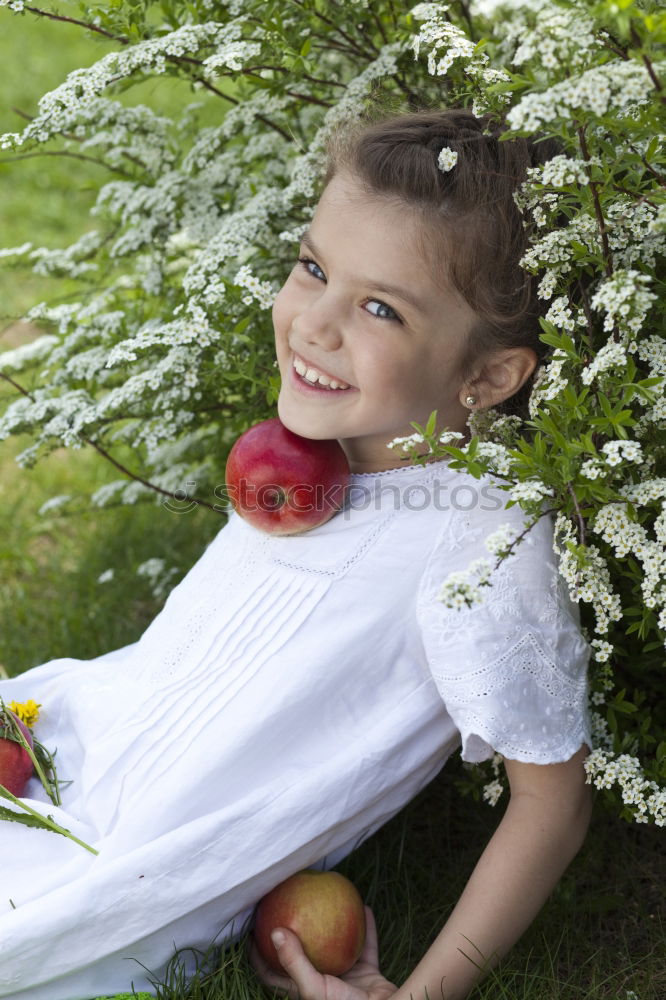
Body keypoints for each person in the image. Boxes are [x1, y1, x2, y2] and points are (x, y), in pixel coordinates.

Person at [0, 108, 592, 1000]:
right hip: (78, 744)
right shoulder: (311, 452)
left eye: (380, 308)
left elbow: (553, 801)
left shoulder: (480, 542)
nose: (313, 325)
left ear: (490, 377)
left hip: (138, 858)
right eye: (314, 268)